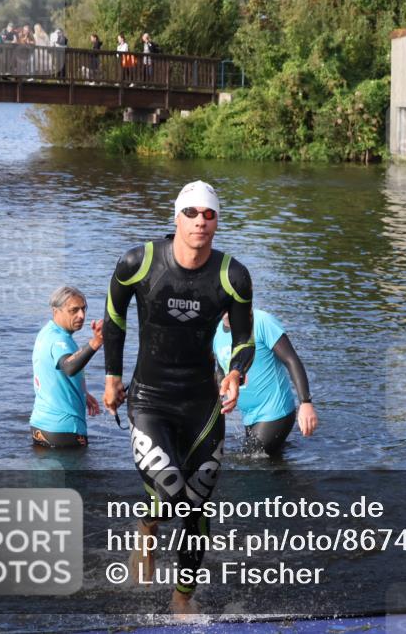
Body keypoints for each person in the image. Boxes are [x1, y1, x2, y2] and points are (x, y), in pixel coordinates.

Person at [102, 180, 255, 615]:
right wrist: (112, 378)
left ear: (217, 222)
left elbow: (245, 339)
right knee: (169, 492)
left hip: (202, 403)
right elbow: (114, 319)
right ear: (176, 217)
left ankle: (181, 597)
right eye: (191, 212)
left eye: (209, 214)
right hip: (150, 398)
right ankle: (147, 527)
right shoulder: (138, 262)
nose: (200, 221)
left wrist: (235, 374)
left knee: (197, 502)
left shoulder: (232, 275)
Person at [213, 309, 318, 455]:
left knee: (251, 460)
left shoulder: (262, 321)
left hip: (275, 411)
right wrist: (221, 399)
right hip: (249, 416)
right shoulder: (216, 332)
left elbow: (291, 360)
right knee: (268, 460)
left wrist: (305, 403)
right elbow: (221, 371)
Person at [31, 286, 104, 448]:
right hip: (65, 430)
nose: (81, 315)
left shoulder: (46, 332)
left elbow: (52, 373)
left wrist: (82, 393)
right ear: (56, 311)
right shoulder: (59, 339)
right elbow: (69, 367)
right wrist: (96, 342)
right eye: (74, 310)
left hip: (41, 426)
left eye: (83, 309)